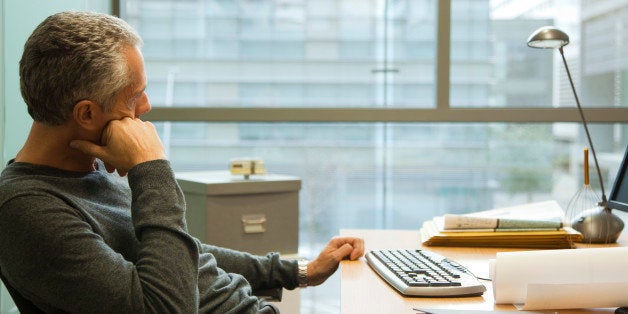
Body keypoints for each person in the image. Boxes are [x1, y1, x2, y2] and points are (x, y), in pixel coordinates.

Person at [0, 11, 364, 313]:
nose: (146, 108)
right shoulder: (26, 211)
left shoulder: (89, 170)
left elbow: (181, 254)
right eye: (135, 95)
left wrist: (300, 271)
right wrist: (151, 168)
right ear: (87, 113)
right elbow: (165, 307)